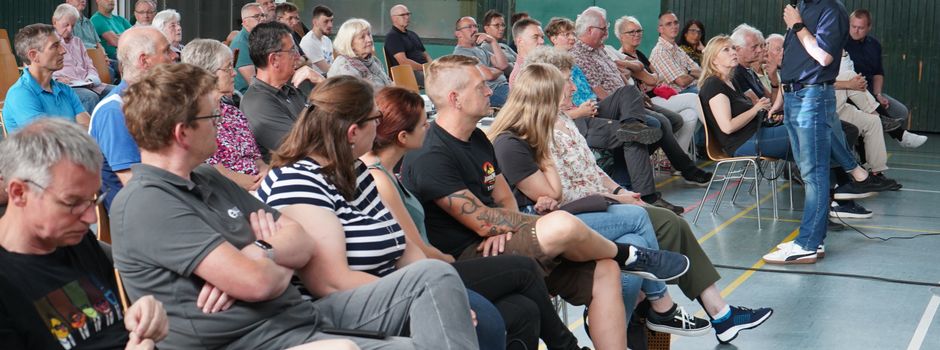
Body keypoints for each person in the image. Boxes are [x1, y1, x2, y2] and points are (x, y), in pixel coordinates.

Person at [111, 62, 472, 350]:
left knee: (434, 278)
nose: (221, 127)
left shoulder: (207, 178)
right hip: (259, 338)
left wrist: (257, 251)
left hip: (294, 320)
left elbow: (300, 242)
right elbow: (257, 282)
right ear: (182, 132)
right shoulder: (148, 203)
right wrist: (266, 258)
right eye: (213, 118)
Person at [258, 78, 581, 350]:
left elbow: (407, 251)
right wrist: (435, 297)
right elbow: (330, 282)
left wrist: (440, 289)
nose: (379, 126)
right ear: (354, 131)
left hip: (392, 286)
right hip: (345, 305)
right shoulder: (299, 181)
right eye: (375, 119)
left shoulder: (353, 172)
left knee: (520, 309)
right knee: (475, 302)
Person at [402, 54, 692, 349]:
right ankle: (628, 254)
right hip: (468, 255)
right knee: (563, 225)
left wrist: (503, 228)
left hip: (500, 240)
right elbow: (480, 222)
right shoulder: (431, 154)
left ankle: (623, 271)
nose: (491, 91)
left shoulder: (477, 138)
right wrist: (498, 226)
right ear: (455, 98)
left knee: (606, 270)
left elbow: (502, 197)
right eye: (481, 87)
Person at [501, 52, 774, 343]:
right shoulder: (524, 137)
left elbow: (591, 171)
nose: (573, 88)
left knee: (646, 238)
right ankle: (683, 311)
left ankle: (670, 321)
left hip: (598, 202)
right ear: (547, 90)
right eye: (567, 81)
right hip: (577, 214)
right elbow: (557, 194)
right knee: (656, 223)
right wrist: (616, 199)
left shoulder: (563, 121)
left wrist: (620, 191)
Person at [0, 118, 169, 350]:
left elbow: (114, 322)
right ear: (19, 193)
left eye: (93, 199)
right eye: (73, 202)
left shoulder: (73, 238)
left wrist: (141, 314)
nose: (91, 218)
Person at [765, 0, 894, 264]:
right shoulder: (802, 5)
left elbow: (823, 55)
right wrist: (780, 96)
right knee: (810, 170)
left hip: (810, 95)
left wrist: (797, 25)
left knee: (814, 173)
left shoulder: (831, 10)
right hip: (794, 94)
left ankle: (808, 244)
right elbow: (796, 53)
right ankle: (816, 238)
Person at [572, 8, 711, 215]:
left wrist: (636, 98)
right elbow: (599, 92)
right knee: (654, 122)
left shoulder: (601, 49)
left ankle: (636, 175)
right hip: (607, 107)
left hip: (628, 104)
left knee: (658, 122)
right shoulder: (579, 55)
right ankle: (656, 186)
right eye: (604, 29)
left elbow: (638, 75)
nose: (606, 33)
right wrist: (629, 99)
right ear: (590, 30)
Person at [88, 26, 177, 210]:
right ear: (144, 61)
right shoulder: (115, 111)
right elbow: (136, 188)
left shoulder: (155, 103)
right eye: (166, 51)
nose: (174, 56)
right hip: (141, 217)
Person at [181, 39, 268, 191]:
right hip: (229, 193)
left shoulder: (233, 113)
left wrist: (267, 173)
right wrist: (262, 184)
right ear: (207, 73)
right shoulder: (194, 120)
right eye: (228, 68)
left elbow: (257, 159)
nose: (234, 73)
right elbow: (216, 173)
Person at [611, 15, 700, 159]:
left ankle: (676, 159)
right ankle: (718, 135)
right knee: (694, 97)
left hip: (657, 96)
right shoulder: (622, 57)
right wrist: (651, 79)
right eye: (631, 32)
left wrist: (651, 79)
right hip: (648, 102)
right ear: (621, 36)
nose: (637, 34)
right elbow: (653, 79)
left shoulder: (639, 54)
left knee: (690, 115)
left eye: (639, 31)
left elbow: (656, 77)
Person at [845, 9, 927, 148]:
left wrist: (878, 94)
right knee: (868, 113)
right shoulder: (841, 43)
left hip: (871, 92)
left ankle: (887, 133)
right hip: (850, 93)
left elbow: (878, 73)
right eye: (853, 26)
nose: (856, 31)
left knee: (900, 111)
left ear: (869, 27)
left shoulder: (874, 45)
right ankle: (900, 135)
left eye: (861, 27)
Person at [241, 21, 323, 160]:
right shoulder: (257, 103)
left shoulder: (290, 90)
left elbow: (332, 120)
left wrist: (321, 81)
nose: (298, 56)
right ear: (274, 60)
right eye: (292, 50)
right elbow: (301, 148)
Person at [698, 35, 789, 159]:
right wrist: (755, 108)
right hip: (743, 142)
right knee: (803, 133)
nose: (733, 52)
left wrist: (763, 110)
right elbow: (728, 127)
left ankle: (799, 173)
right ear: (714, 60)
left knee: (801, 129)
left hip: (756, 134)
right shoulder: (713, 84)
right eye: (726, 50)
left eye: (733, 48)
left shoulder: (731, 81)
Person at [2, 24, 90, 134]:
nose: (63, 51)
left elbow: (90, 128)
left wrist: (65, 131)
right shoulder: (20, 94)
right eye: (55, 46)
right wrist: (77, 128)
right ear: (34, 55)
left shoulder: (66, 90)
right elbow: (49, 139)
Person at [52, 4, 115, 117]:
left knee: (118, 92)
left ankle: (108, 129)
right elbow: (40, 69)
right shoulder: (49, 43)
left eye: (73, 25)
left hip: (87, 83)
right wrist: (56, 78)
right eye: (66, 25)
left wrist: (91, 78)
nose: (70, 29)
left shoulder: (77, 42)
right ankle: (87, 133)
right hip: (66, 86)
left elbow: (90, 65)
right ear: (54, 22)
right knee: (90, 97)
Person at [453, 16, 511, 107]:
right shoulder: (461, 54)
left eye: (475, 26)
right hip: (491, 93)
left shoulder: (479, 49)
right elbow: (488, 75)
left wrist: (493, 41)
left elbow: (503, 65)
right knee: (529, 102)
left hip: (505, 86)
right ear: (458, 34)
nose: (474, 30)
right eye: (469, 27)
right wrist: (499, 71)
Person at [328, 19, 392, 90]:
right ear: (350, 43)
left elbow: (388, 84)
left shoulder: (374, 61)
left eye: (369, 34)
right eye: (362, 37)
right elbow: (356, 97)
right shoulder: (344, 66)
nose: (369, 40)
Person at [649, 12, 701, 93]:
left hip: (693, 88)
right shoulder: (660, 52)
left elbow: (699, 70)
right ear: (660, 29)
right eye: (669, 24)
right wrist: (692, 73)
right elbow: (682, 82)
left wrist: (689, 72)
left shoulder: (678, 49)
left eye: (676, 23)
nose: (674, 26)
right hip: (677, 95)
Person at [384, 4, 432, 86]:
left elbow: (426, 55)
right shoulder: (392, 36)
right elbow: (404, 62)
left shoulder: (413, 34)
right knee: (437, 79)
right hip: (408, 73)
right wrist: (424, 68)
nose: (407, 17)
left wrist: (433, 66)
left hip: (423, 70)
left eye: (408, 14)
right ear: (394, 18)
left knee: (446, 73)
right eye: (403, 15)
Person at [230, 3, 267, 94]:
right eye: (257, 16)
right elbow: (253, 83)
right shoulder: (240, 43)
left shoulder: (259, 37)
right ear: (245, 22)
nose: (262, 19)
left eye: (263, 15)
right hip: (247, 97)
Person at [506, 18, 544, 86]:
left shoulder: (539, 66)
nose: (542, 41)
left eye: (542, 37)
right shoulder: (520, 75)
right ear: (520, 41)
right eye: (535, 37)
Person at [480, 10, 518, 77]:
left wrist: (513, 65)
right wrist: (515, 64)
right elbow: (504, 69)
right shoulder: (484, 49)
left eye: (503, 25)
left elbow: (522, 61)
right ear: (486, 28)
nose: (501, 28)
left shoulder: (504, 46)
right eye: (497, 25)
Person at [299, 5, 334, 75]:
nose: (330, 25)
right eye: (326, 21)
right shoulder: (309, 41)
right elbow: (326, 69)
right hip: (317, 83)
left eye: (331, 20)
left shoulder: (327, 40)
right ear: (315, 22)